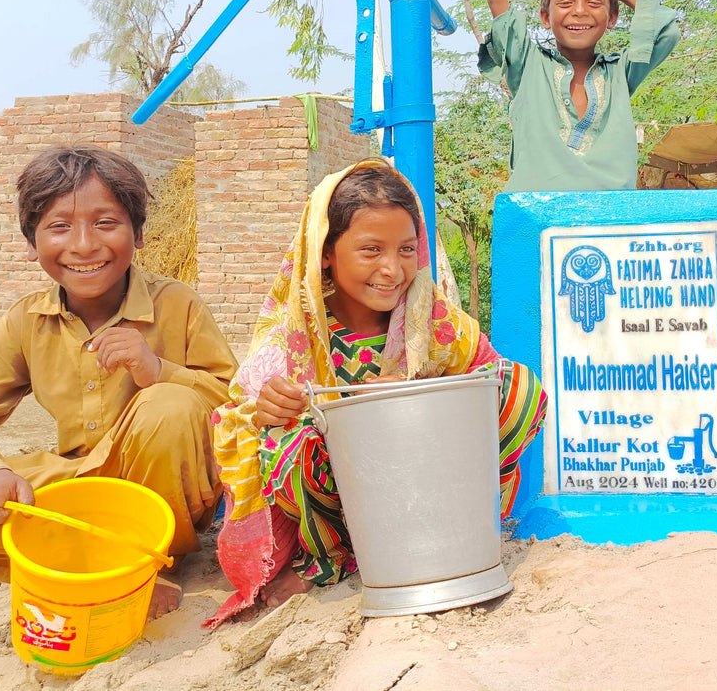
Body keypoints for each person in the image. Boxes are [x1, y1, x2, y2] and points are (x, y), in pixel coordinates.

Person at [207, 159, 547, 628]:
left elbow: (492, 376)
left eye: (406, 249)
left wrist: (418, 389)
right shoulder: (295, 334)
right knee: (287, 442)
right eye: (371, 250)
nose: (392, 269)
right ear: (326, 251)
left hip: (427, 483)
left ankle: (454, 528)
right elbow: (236, 423)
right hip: (343, 504)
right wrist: (268, 411)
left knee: (519, 386)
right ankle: (332, 558)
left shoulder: (432, 319)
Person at [0, 146, 237, 616]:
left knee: (169, 405)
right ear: (31, 242)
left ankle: (146, 564)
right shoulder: (26, 321)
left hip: (163, 501)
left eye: (106, 223)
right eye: (59, 227)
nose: (84, 245)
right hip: (78, 492)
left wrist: (158, 371)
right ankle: (89, 559)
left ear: (138, 233)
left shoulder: (178, 304)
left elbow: (237, 405)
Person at [479, 0, 680, 193]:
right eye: (565, 2)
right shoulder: (528, 64)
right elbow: (497, 1)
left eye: (595, 3)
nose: (579, 11)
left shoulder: (620, 73)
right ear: (545, 17)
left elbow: (667, 33)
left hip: (607, 215)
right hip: (536, 214)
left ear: (612, 18)